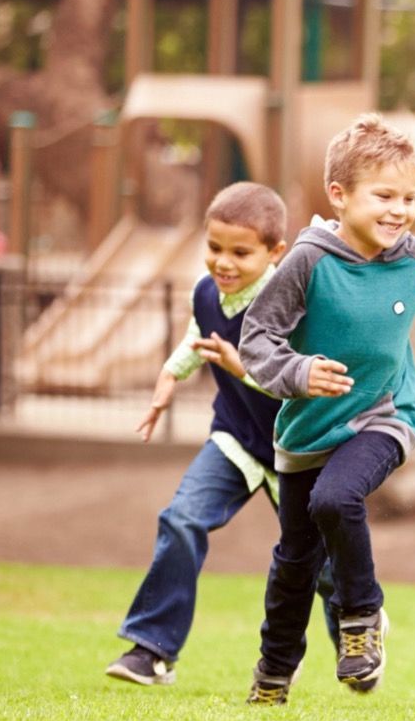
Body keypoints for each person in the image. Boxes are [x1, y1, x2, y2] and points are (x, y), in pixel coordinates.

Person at [238, 114, 415, 705]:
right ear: (339, 195)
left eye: (408, 197)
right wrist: (299, 372)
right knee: (295, 560)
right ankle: (274, 672)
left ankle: (361, 619)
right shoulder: (307, 262)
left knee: (336, 498)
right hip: (307, 430)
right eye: (384, 196)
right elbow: (257, 339)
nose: (399, 210)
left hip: (385, 414)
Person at [107, 181, 333, 685]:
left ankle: (358, 637)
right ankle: (151, 650)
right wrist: (169, 380)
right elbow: (196, 338)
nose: (223, 263)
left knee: (323, 566)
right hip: (234, 441)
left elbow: (306, 383)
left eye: (240, 252)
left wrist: (242, 369)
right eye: (214, 248)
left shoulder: (290, 302)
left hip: (294, 451)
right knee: (181, 519)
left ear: (276, 252)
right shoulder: (208, 292)